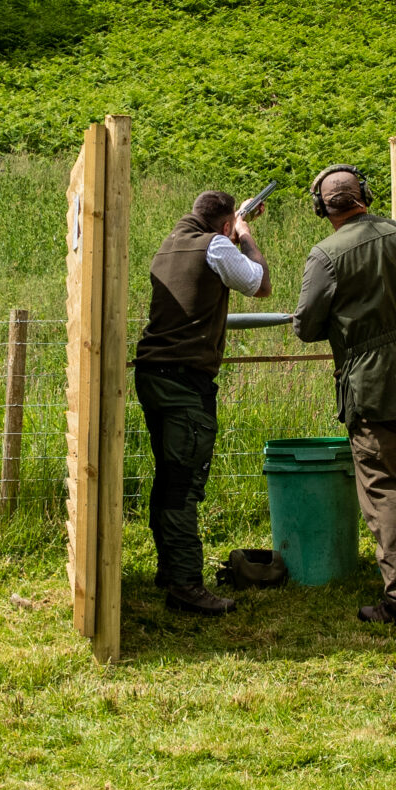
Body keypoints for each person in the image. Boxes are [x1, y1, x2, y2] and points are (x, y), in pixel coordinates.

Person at [291, 163, 396, 626]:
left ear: (322, 208)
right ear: (365, 194)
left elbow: (305, 328)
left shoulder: (325, 255)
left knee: (385, 487)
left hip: (373, 385)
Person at [133, 189, 271, 615]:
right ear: (225, 224)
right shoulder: (216, 244)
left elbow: (210, 261)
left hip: (154, 376)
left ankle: (169, 571)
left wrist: (233, 229)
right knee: (183, 484)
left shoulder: (170, 244)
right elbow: (259, 284)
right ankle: (186, 585)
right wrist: (246, 237)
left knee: (169, 477)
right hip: (183, 382)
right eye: (231, 225)